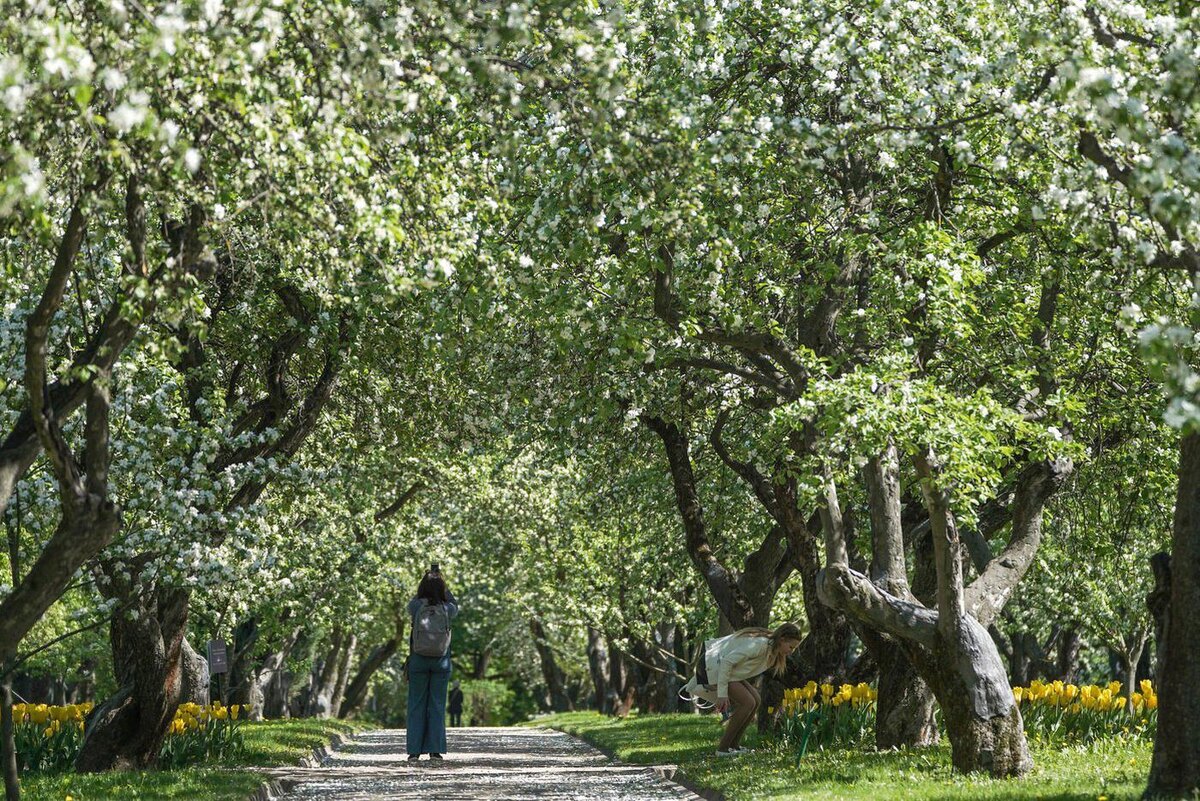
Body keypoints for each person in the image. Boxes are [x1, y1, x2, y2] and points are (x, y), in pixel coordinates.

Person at [680, 622, 803, 757]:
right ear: (782, 639)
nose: (791, 651)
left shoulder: (772, 651)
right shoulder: (760, 645)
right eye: (791, 647)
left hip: (729, 671)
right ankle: (722, 749)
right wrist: (722, 694)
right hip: (714, 668)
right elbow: (727, 662)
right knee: (748, 702)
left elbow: (741, 668)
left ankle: (734, 745)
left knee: (756, 700)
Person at [406, 565, 458, 761]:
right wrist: (442, 586)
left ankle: (414, 751)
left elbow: (411, 602)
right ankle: (435, 751)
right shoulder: (447, 608)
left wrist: (425, 584)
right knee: (437, 705)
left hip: (418, 660)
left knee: (416, 705)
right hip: (441, 660)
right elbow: (455, 604)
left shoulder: (416, 606)